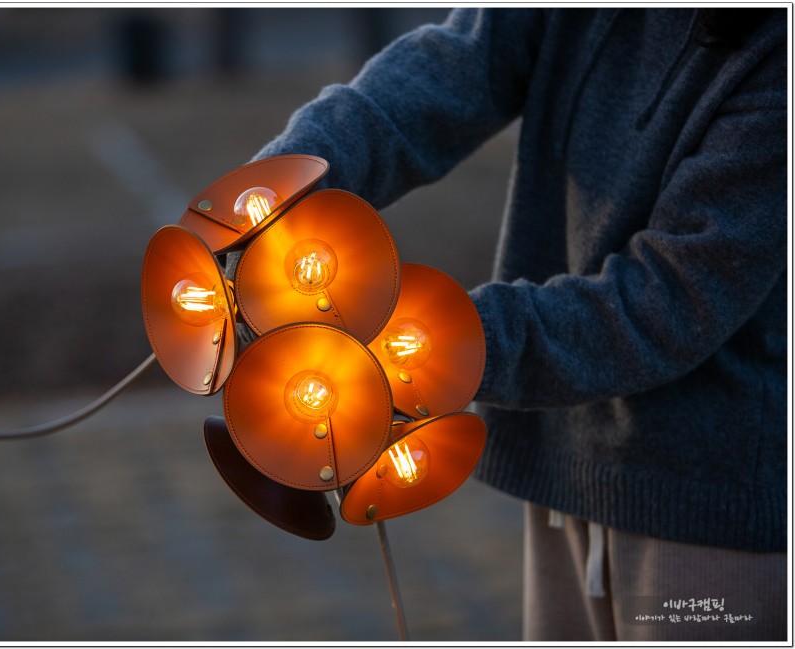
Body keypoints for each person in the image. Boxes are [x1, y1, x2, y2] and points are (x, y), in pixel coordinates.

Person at [247, 7, 787, 642]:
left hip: (708, 515)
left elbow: (668, 299)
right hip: (565, 472)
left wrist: (435, 341)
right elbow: (449, 72)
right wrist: (275, 189)